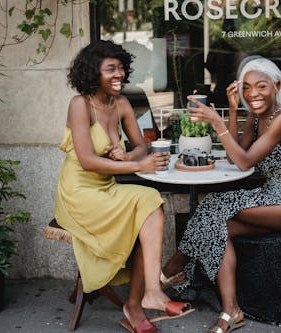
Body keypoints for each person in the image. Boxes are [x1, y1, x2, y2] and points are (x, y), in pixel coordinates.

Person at [161, 56, 281, 332]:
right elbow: (236, 155)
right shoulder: (258, 115)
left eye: (261, 86)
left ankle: (172, 268)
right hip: (270, 195)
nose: (253, 94)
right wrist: (231, 111)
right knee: (217, 225)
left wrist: (217, 123)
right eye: (248, 88)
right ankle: (231, 311)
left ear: (276, 86)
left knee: (214, 205)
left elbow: (243, 162)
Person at [53, 40, 193, 333]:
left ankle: (145, 296)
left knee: (150, 202)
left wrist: (130, 155)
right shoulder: (81, 105)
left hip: (106, 188)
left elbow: (142, 145)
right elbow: (88, 161)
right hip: (79, 193)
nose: (119, 74)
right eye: (110, 69)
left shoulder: (122, 104)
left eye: (121, 68)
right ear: (93, 72)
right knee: (145, 206)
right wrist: (137, 165)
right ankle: (143, 298)